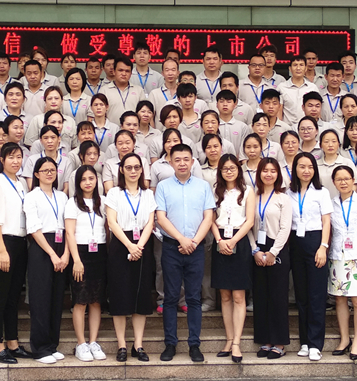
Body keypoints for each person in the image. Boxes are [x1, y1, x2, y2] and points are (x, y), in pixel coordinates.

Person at [155, 144, 216, 362]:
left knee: (193, 298)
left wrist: (194, 241)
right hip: (172, 247)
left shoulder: (203, 186)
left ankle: (194, 344)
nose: (182, 163)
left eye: (186, 159)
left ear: (192, 161)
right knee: (171, 297)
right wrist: (182, 239)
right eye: (177, 159)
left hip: (196, 247)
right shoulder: (163, 186)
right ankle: (170, 343)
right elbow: (160, 217)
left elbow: (208, 217)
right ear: (171, 162)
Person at [105, 153, 157, 361]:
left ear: (142, 170)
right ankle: (122, 345)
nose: (133, 171)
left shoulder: (148, 194)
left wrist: (139, 246)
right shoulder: (114, 193)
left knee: (140, 295)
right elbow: (112, 222)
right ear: (121, 170)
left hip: (143, 244)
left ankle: (138, 344)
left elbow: (150, 222)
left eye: (137, 167)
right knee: (120, 295)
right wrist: (129, 246)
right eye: (129, 167)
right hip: (121, 244)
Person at [0, 143, 30, 364]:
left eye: (18, 157)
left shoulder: (22, 183)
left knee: (13, 298)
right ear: (2, 160)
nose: (15, 161)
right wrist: (2, 251)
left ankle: (13, 343)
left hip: (20, 242)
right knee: (0, 298)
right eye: (11, 157)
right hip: (4, 243)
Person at [23, 157, 69, 364]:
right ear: (36, 174)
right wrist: (52, 254)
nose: (49, 173)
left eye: (53, 170)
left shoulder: (62, 197)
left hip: (62, 245)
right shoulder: (31, 197)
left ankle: (52, 344)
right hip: (42, 247)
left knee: (56, 298)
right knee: (41, 298)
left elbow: (69, 226)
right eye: (45, 170)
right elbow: (34, 228)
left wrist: (65, 254)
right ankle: (40, 348)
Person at [287, 152, 332, 362]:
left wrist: (323, 247)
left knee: (316, 295)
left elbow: (326, 222)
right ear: (295, 169)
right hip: (295, 243)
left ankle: (315, 343)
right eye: (302, 166)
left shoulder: (322, 192)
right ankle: (304, 341)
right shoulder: (288, 192)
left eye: (310, 167)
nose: (306, 171)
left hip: (316, 242)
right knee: (302, 295)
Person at [211, 154, 256, 364]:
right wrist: (220, 240)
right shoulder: (214, 191)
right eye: (225, 168)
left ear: (239, 170)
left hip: (240, 240)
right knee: (225, 296)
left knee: (238, 296)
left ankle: (237, 342)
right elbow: (210, 219)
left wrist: (233, 241)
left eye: (232, 168)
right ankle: (228, 340)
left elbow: (250, 221)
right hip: (220, 240)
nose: (229, 171)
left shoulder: (248, 191)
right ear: (220, 171)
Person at [328, 165, 357, 360]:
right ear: (334, 182)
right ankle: (345, 339)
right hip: (337, 256)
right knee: (340, 298)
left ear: (353, 180)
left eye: (347, 178)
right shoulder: (331, 204)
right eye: (339, 179)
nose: (343, 182)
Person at [65, 166, 108, 362]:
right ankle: (81, 343)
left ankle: (93, 342)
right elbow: (69, 233)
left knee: (96, 300)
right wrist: (76, 260)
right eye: (83, 179)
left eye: (91, 178)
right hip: (81, 253)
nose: (88, 182)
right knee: (80, 300)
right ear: (78, 183)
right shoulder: (72, 203)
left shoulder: (103, 202)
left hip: (100, 252)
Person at [251, 157, 292, 360]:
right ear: (259, 173)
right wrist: (255, 250)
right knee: (261, 297)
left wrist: (273, 252)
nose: (269, 174)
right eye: (265, 170)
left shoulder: (283, 198)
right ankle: (265, 340)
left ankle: (279, 342)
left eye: (273, 171)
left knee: (277, 297)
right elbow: (247, 224)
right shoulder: (253, 196)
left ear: (278, 174)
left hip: (277, 248)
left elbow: (285, 228)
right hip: (257, 249)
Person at [278, 55, 319, 126]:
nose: (298, 68)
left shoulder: (312, 87)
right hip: (288, 128)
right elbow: (279, 112)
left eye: (301, 65)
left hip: (308, 128)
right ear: (290, 68)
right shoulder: (282, 87)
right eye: (295, 65)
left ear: (306, 68)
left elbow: (317, 111)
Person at [104, 56, 147, 125]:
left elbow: (144, 113)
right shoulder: (104, 90)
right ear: (114, 71)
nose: (124, 74)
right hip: (112, 130)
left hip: (134, 130)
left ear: (131, 74)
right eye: (120, 70)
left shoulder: (139, 90)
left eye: (127, 71)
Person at [317, 129, 355, 198]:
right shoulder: (316, 165)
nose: (330, 145)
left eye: (334, 141)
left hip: (343, 202)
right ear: (320, 145)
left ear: (338, 144)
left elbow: (354, 185)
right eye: (326, 142)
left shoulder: (347, 162)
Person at [216, 90, 250, 154]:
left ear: (234, 105)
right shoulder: (213, 126)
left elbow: (245, 148)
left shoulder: (242, 127)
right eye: (221, 101)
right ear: (217, 105)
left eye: (229, 102)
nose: (225, 104)